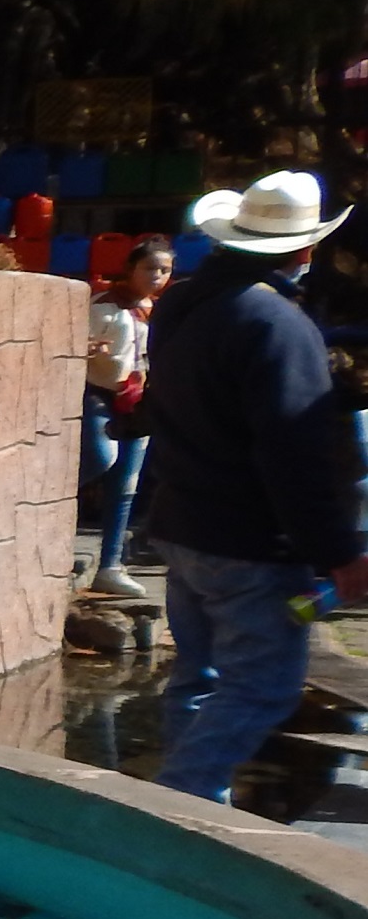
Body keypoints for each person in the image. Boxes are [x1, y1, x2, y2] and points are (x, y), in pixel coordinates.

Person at [137, 172, 368, 801]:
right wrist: (338, 552)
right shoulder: (276, 324)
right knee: (260, 688)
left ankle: (175, 803)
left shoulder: (182, 304)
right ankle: (179, 809)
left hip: (181, 526)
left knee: (199, 679)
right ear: (304, 247)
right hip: (246, 545)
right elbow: (294, 455)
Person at [82, 237, 172, 599]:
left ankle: (110, 566)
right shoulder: (104, 304)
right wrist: (89, 348)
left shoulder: (158, 311)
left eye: (164, 270)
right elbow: (77, 342)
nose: (157, 276)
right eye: (150, 268)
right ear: (131, 269)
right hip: (100, 394)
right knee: (100, 457)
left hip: (138, 402)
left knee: (126, 485)